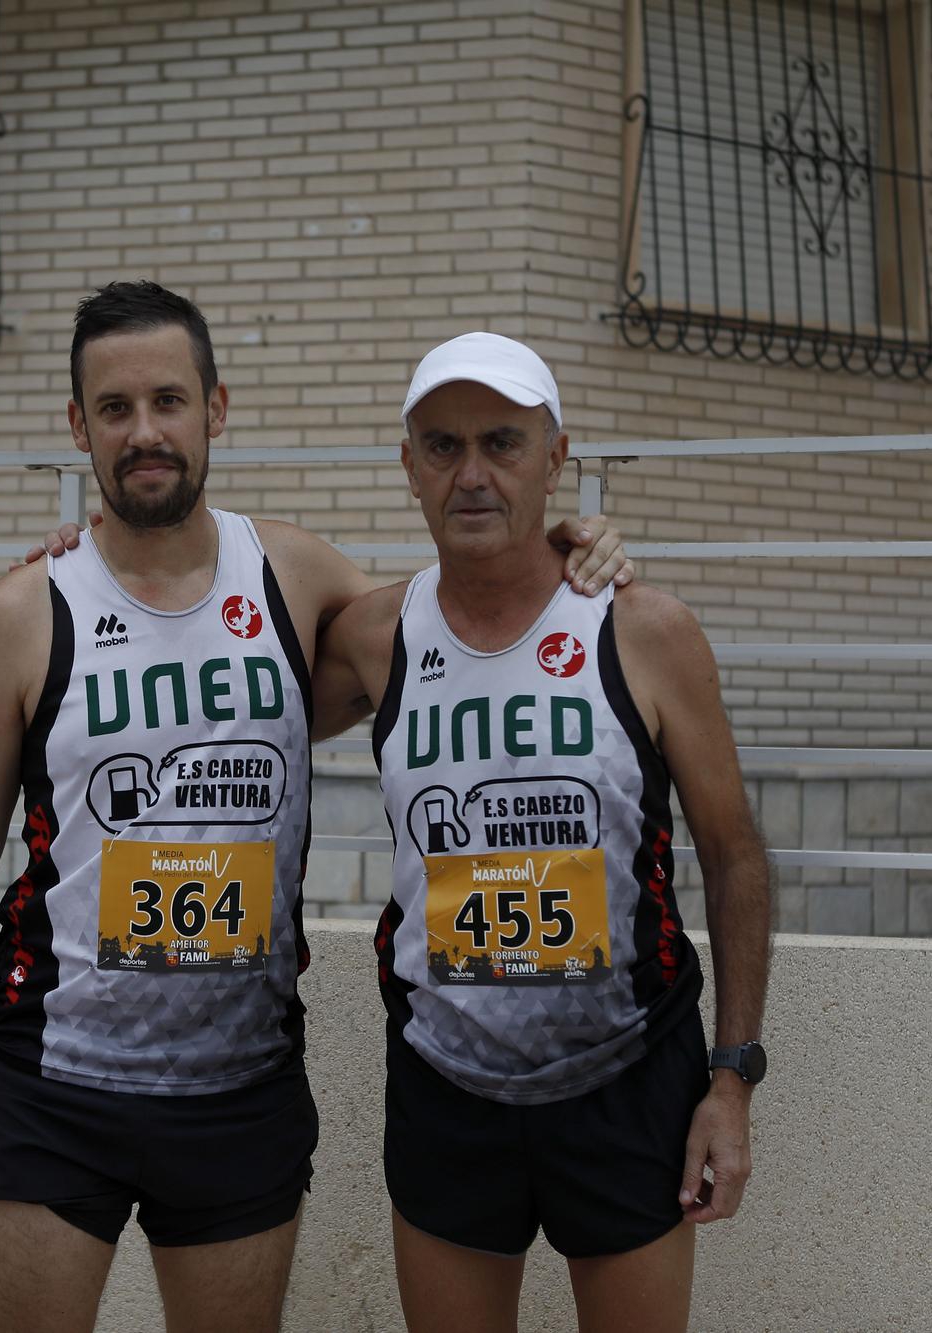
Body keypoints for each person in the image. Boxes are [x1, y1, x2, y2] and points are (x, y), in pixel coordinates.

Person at [0, 282, 632, 1333]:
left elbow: (459, 631)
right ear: (78, 427)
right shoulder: (19, 613)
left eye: (168, 401)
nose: (144, 432)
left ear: (214, 410)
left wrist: (566, 549)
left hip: (239, 1090)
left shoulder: (290, 570)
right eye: (113, 409)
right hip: (50, 1081)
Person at [310, 332, 773, 1333]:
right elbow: (239, 634)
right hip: (444, 1079)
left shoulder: (641, 628)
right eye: (440, 446)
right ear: (407, 466)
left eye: (502, 443)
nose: (470, 474)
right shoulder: (374, 637)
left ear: (555, 455)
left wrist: (730, 1080)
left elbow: (734, 858)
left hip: (628, 1071)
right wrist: (126, 543)